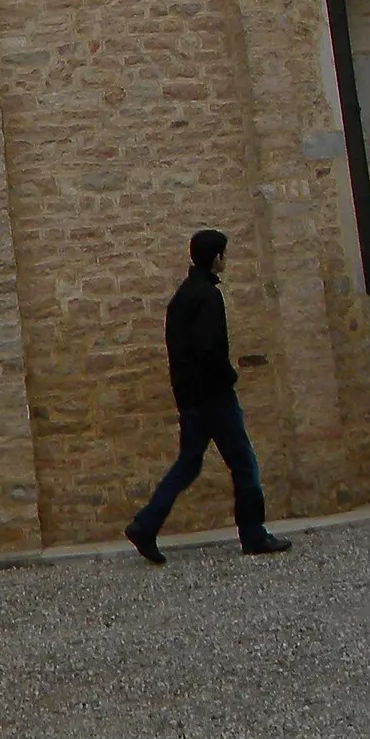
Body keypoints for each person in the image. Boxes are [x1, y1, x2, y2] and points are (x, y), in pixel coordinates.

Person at [125, 228, 289, 562]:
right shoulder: (208, 297)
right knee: (243, 463)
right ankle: (254, 534)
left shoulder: (181, 297)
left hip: (191, 398)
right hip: (214, 397)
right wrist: (228, 377)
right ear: (217, 258)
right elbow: (209, 349)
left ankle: (146, 524)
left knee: (188, 464)